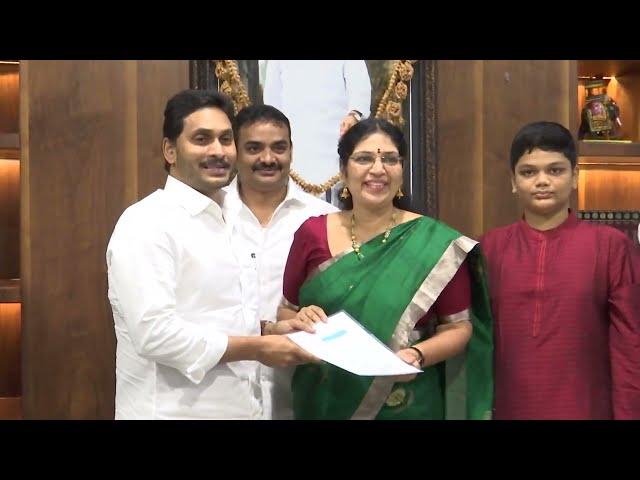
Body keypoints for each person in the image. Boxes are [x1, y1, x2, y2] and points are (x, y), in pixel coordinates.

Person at [106, 89, 318, 419]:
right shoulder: (146, 222)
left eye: (225, 139)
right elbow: (155, 334)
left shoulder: (231, 218)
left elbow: (221, 315)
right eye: (202, 139)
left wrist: (274, 332)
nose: (218, 151)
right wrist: (259, 348)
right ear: (170, 150)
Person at [277, 118, 494, 420]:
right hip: (325, 398)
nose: (378, 169)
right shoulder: (311, 233)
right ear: (343, 171)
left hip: (406, 400)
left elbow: (458, 327)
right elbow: (286, 312)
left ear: (402, 171)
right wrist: (300, 318)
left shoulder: (434, 242)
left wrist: (416, 355)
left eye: (390, 159)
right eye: (364, 158)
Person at [481, 121, 640, 420]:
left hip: (587, 409)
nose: (542, 181)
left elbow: (630, 346)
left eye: (555, 170)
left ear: (575, 176)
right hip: (509, 407)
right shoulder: (489, 248)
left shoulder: (611, 247)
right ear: (513, 181)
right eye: (529, 172)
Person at [223, 104, 338, 419]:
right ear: (234, 151)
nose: (268, 158)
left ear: (291, 151)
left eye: (279, 147)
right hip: (220, 393)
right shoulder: (210, 216)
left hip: (300, 394)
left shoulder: (324, 220)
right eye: (254, 148)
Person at [263, 60, 371, 204]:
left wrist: (354, 114)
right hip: (295, 139)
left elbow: (359, 85)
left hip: (335, 138)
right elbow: (272, 100)